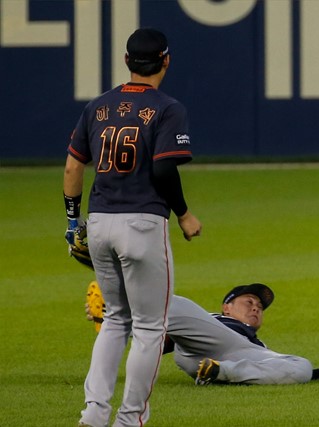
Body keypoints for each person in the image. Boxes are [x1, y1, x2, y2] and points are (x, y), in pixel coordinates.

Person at [64, 28, 202, 427]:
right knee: (149, 327)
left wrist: (73, 221)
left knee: (114, 320)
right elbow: (163, 168)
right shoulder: (167, 107)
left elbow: (73, 166)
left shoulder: (98, 106)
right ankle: (130, 420)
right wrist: (184, 214)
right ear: (166, 60)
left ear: (127, 61)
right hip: (142, 224)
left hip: (100, 222)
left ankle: (93, 413)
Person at [86, 283, 319, 384]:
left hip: (231, 361)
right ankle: (114, 309)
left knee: (300, 366)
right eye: (249, 302)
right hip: (197, 347)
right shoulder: (212, 319)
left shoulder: (260, 345)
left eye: (260, 306)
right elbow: (160, 344)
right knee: (176, 302)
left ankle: (219, 372)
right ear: (227, 307)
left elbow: (304, 374)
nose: (256, 308)